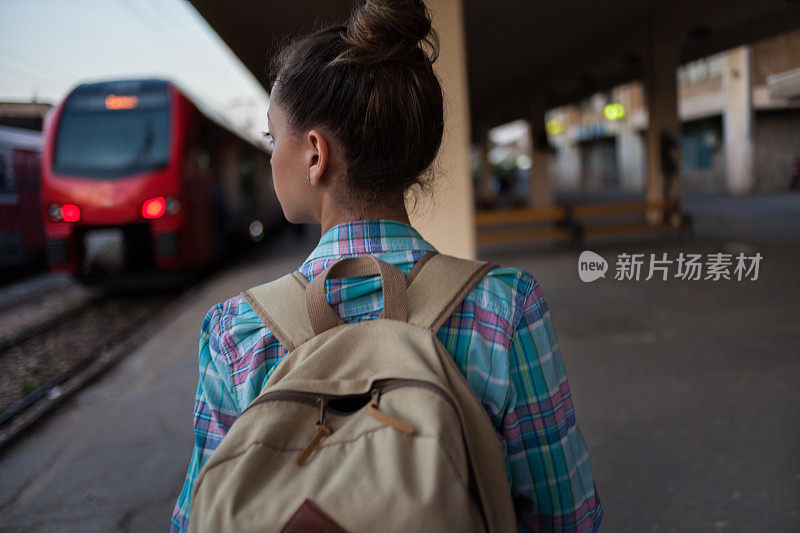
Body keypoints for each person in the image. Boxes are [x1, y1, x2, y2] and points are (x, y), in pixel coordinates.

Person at [171, 1, 603, 531]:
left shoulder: (236, 331)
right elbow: (566, 513)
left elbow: (199, 516)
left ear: (314, 153)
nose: (269, 157)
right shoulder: (505, 304)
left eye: (270, 137)